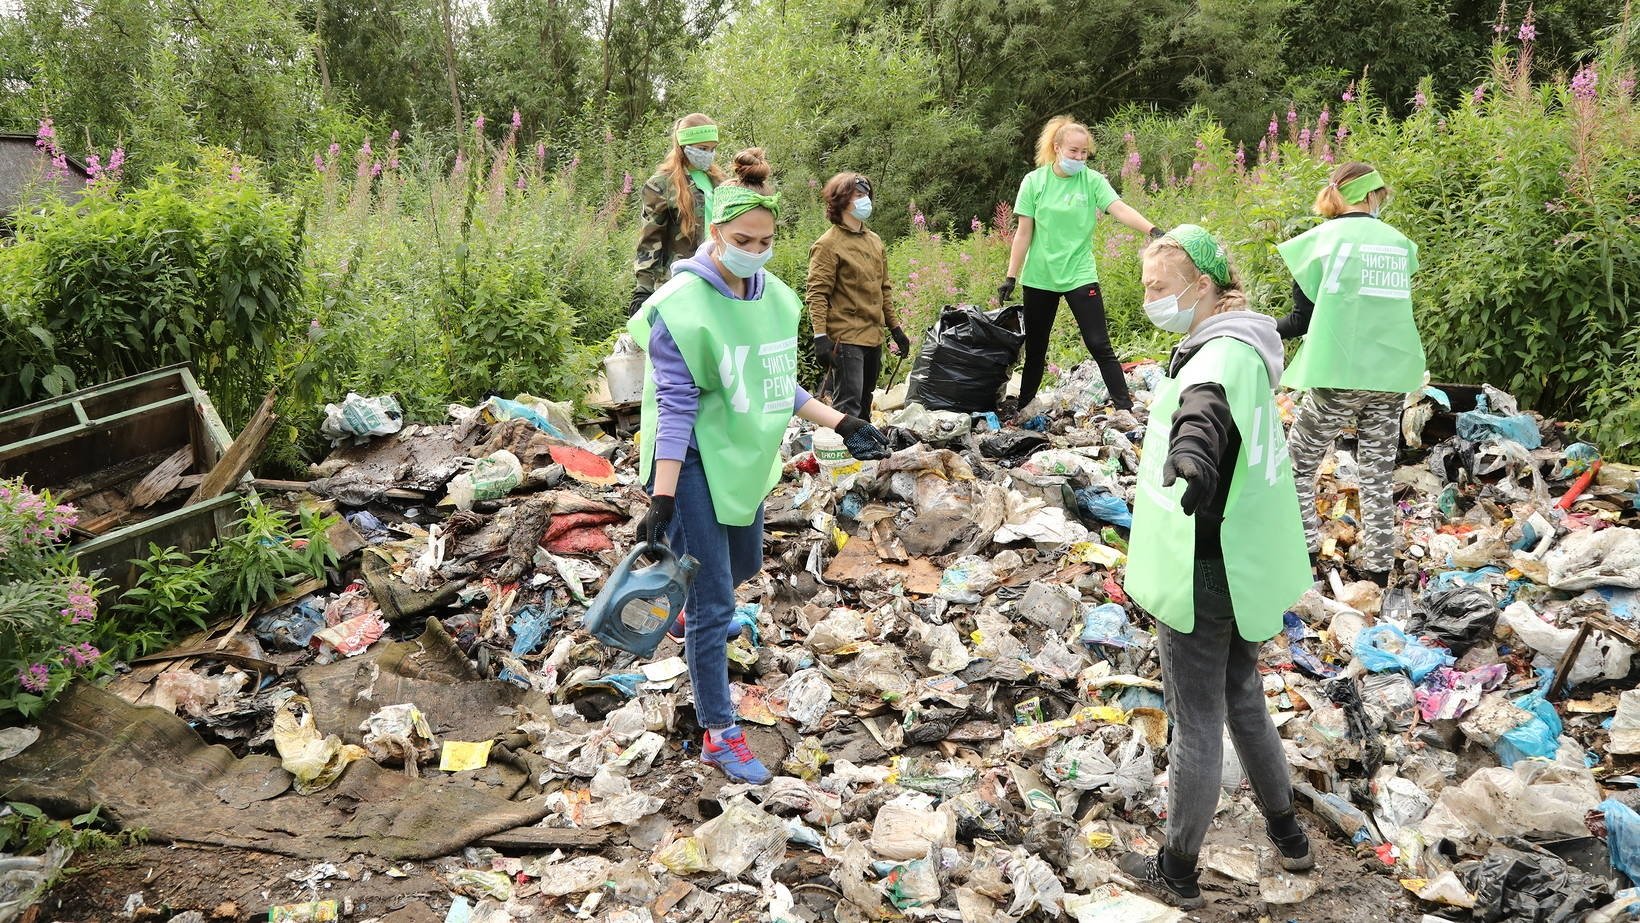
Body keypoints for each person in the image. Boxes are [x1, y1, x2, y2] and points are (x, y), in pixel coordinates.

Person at [626, 149, 891, 784]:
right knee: (718, 600)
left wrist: (842, 422)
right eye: (743, 239)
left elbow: (775, 381)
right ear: (715, 232)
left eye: (766, 240)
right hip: (687, 458)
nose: (755, 250)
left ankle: (690, 605)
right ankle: (718, 729)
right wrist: (661, 501)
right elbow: (676, 406)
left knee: (742, 562)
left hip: (740, 457)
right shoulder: (682, 306)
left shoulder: (774, 297)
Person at [1120, 226, 1314, 909]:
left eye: (1158, 287)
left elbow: (1202, 414)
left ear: (1200, 286)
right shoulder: (1247, 341)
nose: (1150, 299)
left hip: (1205, 562)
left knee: (1195, 717)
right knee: (1243, 695)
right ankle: (1291, 836)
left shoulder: (1214, 359)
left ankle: (1177, 869)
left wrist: (1192, 460)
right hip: (1249, 560)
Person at [1276, 162, 1424, 585]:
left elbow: (1300, 321)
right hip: (1391, 374)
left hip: (1337, 373)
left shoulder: (1317, 243)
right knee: (1377, 472)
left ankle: (1304, 552)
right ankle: (1378, 570)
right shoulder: (1400, 245)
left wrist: (1257, 325)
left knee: (1298, 464)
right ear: (1374, 195)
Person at [999, 115, 1166, 416]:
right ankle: (1023, 409)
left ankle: (1125, 409)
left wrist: (1153, 230)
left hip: (1079, 273)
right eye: (1073, 151)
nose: (1078, 157)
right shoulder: (1034, 182)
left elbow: (1119, 208)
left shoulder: (1092, 181)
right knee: (1036, 348)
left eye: (1084, 152)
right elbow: (1023, 233)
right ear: (1057, 147)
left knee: (1098, 342)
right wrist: (1011, 277)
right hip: (1040, 276)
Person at [805, 172, 910, 419]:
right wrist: (820, 336)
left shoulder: (874, 241)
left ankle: (864, 454)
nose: (866, 201)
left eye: (867, 195)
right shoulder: (827, 245)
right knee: (848, 407)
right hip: (846, 337)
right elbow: (817, 293)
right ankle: (845, 454)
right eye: (859, 196)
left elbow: (883, 288)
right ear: (842, 201)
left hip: (873, 335)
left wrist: (895, 329)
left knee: (865, 401)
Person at [631, 113, 725, 317]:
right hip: (680, 280)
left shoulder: (719, 180)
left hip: (719, 276)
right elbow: (650, 239)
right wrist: (643, 288)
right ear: (684, 147)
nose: (709, 154)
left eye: (712, 149)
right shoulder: (662, 184)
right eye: (702, 149)